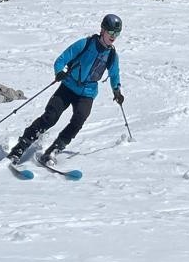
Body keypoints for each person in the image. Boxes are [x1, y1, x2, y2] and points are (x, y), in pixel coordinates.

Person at [8, 13, 124, 164]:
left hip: (87, 93)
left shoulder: (112, 55)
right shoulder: (85, 44)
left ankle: (53, 150)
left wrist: (117, 90)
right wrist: (59, 72)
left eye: (117, 33)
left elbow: (114, 74)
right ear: (102, 30)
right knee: (50, 117)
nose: (113, 36)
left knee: (79, 120)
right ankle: (19, 148)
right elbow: (61, 59)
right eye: (111, 32)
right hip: (68, 86)